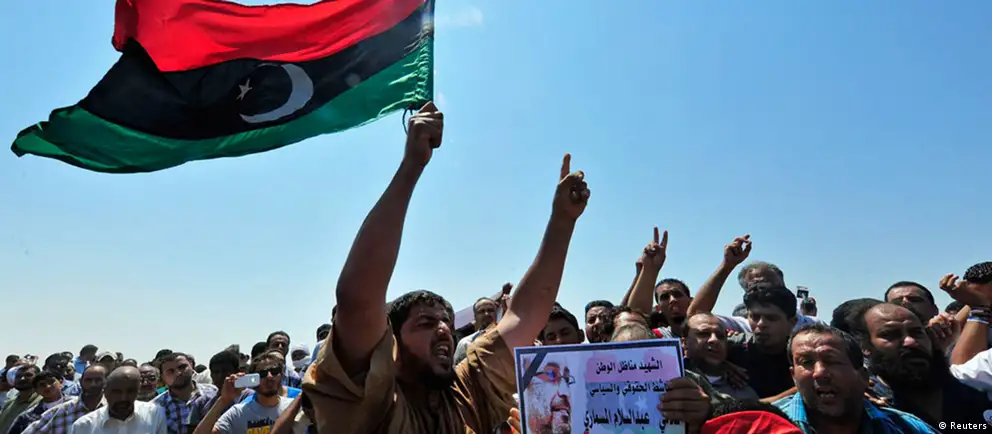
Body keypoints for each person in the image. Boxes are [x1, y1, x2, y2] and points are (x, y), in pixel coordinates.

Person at [303, 102, 590, 433]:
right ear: (390, 344)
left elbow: (524, 316)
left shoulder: (469, 388)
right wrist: (411, 167)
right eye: (425, 322)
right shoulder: (372, 403)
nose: (443, 329)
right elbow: (357, 300)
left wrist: (562, 220)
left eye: (446, 323)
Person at [774, 323, 938, 433]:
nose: (819, 373)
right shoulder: (764, 425)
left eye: (832, 360)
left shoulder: (905, 428)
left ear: (863, 377)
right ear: (793, 376)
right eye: (806, 362)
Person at [854, 303, 991, 428]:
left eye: (917, 332)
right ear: (865, 347)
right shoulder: (868, 408)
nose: (910, 341)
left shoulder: (971, 389)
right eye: (890, 334)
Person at [210, 352, 294, 434]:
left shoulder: (294, 407)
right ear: (252, 379)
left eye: (274, 371)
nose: (269, 376)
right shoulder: (238, 413)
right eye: (262, 374)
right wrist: (222, 401)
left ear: (282, 375)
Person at [683, 313, 759, 401]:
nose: (714, 340)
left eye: (720, 336)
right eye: (704, 334)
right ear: (685, 343)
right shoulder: (673, 379)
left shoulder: (745, 394)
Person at [71, 366, 167, 433]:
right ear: (106, 392)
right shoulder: (84, 426)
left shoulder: (154, 414)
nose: (123, 398)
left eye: (130, 391)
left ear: (137, 391)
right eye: (116, 392)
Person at [20, 365, 107, 434]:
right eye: (88, 380)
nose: (93, 384)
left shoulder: (111, 410)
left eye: (98, 380)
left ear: (106, 381)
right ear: (81, 382)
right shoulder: (58, 413)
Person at [153, 352, 218, 434]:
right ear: (162, 377)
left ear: (191, 366)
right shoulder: (156, 407)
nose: (178, 373)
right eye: (170, 371)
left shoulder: (213, 393)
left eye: (182, 367)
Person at [452, 295, 501, 365]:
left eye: (490, 310)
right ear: (475, 316)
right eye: (481, 311)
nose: (486, 314)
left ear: (496, 313)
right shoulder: (465, 344)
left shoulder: (508, 339)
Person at [0, 365, 42, 434]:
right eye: (18, 376)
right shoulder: (9, 404)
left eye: (28, 375)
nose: (22, 379)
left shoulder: (42, 402)